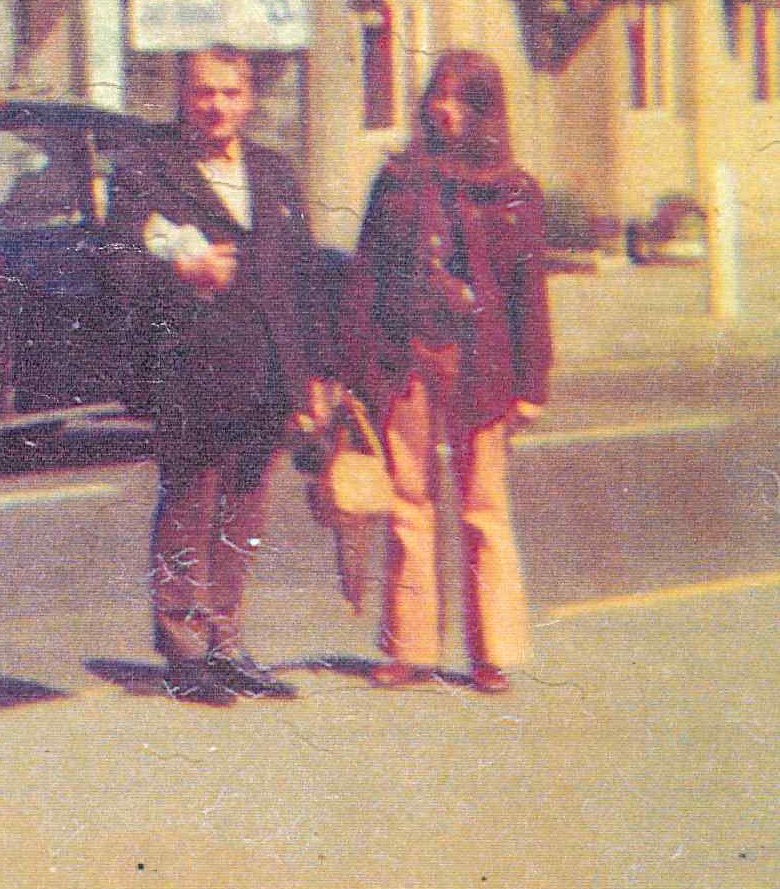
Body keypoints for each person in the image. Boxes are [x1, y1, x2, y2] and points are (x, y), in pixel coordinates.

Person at [110, 45, 331, 705]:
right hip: (191, 366)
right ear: (182, 94)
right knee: (188, 504)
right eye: (203, 92)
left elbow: (301, 278)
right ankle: (182, 649)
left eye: (229, 93)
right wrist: (179, 268)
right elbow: (116, 258)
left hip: (265, 369)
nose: (216, 105)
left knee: (244, 506)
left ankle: (226, 641)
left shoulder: (272, 170)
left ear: (248, 97)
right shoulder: (150, 167)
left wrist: (314, 373)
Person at [342, 48, 551, 695]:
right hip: (407, 353)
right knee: (407, 499)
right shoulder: (398, 180)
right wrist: (356, 362)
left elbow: (527, 292)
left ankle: (491, 650)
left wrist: (532, 381)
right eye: (438, 94)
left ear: (484, 110)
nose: (444, 108)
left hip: (482, 361)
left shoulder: (513, 188)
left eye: (461, 99)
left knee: (482, 505)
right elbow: (365, 276)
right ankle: (409, 645)